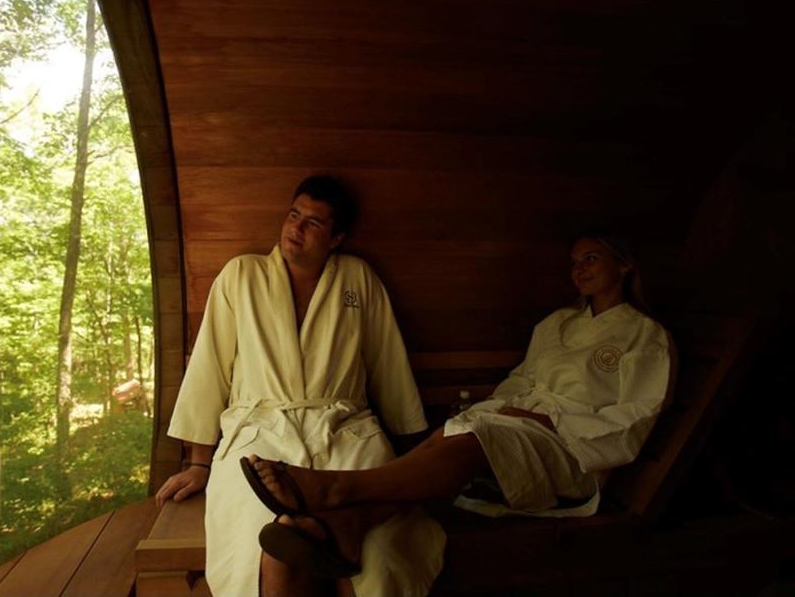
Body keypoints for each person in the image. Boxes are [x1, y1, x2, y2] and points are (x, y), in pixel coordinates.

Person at [243, 233, 672, 579]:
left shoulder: (644, 335)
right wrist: (501, 409)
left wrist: (545, 418)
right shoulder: (557, 323)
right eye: (575, 261)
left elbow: (634, 418)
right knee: (454, 432)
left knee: (472, 438)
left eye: (592, 258)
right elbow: (520, 381)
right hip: (522, 429)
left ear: (625, 264)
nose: (579, 269)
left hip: (574, 452)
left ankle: (337, 489)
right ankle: (349, 528)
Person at [156, 175, 446, 597]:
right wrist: (199, 463)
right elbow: (209, 367)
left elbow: (388, 363)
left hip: (346, 430)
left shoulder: (358, 279)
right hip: (258, 435)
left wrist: (411, 459)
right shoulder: (242, 275)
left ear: (336, 238)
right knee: (262, 542)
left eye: (313, 223)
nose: (296, 228)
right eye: (294, 215)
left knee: (379, 552)